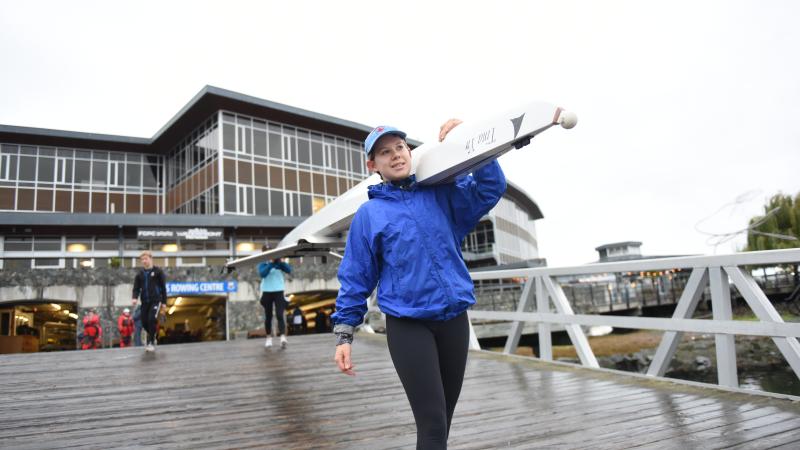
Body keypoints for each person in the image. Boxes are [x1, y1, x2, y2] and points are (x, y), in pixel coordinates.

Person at [332, 120, 506, 449]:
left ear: (408, 151)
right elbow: (356, 276)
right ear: (373, 165)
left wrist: (468, 138)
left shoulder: (442, 194)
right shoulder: (370, 214)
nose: (396, 155)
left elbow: (488, 189)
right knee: (433, 422)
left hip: (454, 319)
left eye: (400, 148)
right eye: (385, 152)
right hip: (409, 324)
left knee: (442, 421)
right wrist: (345, 333)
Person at [131, 251, 167, 352]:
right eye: (142, 259)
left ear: (151, 259)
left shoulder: (158, 272)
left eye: (146, 259)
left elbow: (163, 288)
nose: (144, 261)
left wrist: (164, 303)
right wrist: (134, 297)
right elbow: (136, 288)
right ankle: (153, 334)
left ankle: (150, 342)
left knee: (151, 319)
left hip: (156, 300)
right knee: (144, 321)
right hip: (144, 302)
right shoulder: (140, 274)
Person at [257, 250, 292, 348]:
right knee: (268, 316)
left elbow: (289, 270)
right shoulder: (263, 263)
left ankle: (282, 337)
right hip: (267, 291)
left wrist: (280, 262)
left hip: (279, 291)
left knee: (280, 314)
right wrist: (271, 264)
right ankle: (268, 338)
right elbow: (262, 274)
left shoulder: (279, 263)